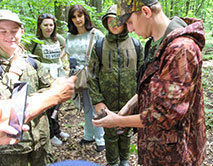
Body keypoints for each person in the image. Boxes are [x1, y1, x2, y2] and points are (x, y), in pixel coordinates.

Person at [92, 0, 207, 166]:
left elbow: (165, 115)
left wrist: (117, 120)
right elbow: (156, 89)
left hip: (177, 154)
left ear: (146, 12)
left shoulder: (181, 49)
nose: (129, 29)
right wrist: (128, 107)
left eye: (130, 22)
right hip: (157, 148)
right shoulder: (156, 44)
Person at [0, 9, 75, 166]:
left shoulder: (31, 62)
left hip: (40, 141)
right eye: (3, 31)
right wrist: (12, 74)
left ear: (21, 32)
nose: (10, 36)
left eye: (14, 31)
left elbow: (52, 85)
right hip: (9, 148)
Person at [87, 5, 143, 166]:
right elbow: (91, 75)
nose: (114, 25)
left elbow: (143, 75)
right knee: (110, 135)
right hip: (107, 102)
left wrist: (137, 100)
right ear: (105, 23)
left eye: (118, 21)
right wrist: (97, 101)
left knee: (125, 133)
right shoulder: (99, 45)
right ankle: (112, 162)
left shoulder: (136, 44)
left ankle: (124, 161)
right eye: (110, 21)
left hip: (130, 101)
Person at [64, 4, 105, 152]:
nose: (77, 19)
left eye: (80, 16)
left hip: (94, 75)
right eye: (74, 17)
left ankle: (101, 138)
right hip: (78, 76)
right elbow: (69, 57)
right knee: (86, 106)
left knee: (97, 106)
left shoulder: (96, 34)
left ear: (85, 16)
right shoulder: (69, 37)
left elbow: (104, 55)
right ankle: (89, 134)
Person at [25, 13, 69, 146]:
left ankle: (57, 130)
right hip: (43, 78)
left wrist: (60, 58)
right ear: (40, 26)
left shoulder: (58, 39)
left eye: (51, 25)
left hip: (57, 77)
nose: (49, 28)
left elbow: (66, 46)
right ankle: (50, 135)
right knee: (47, 106)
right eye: (46, 25)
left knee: (56, 106)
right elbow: (24, 52)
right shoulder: (34, 40)